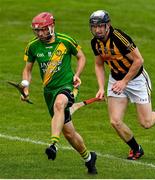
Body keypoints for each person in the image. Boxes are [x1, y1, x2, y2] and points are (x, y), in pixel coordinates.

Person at [20, 12, 97, 174]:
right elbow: (27, 70)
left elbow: (81, 57)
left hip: (68, 86)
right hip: (49, 91)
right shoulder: (33, 46)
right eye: (37, 31)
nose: (40, 33)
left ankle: (53, 144)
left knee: (60, 103)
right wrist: (25, 86)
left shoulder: (65, 41)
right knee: (69, 133)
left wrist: (77, 74)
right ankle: (89, 158)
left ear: (51, 26)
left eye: (43, 30)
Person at [89, 10, 155, 160]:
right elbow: (99, 64)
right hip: (116, 80)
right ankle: (136, 149)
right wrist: (101, 87)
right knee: (115, 121)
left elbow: (139, 60)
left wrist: (124, 81)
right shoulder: (95, 43)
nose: (98, 30)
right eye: (94, 27)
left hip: (136, 80)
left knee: (145, 123)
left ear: (108, 25)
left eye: (101, 26)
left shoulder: (120, 38)